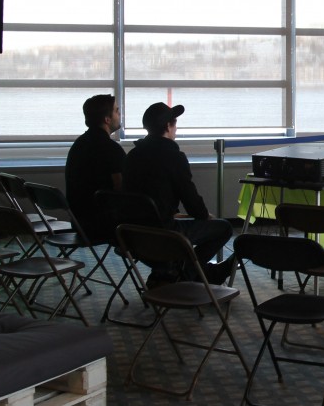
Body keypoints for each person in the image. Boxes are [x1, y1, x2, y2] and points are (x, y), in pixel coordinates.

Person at [122, 102, 234, 284]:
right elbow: (190, 199)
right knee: (224, 228)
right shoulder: (174, 157)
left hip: (132, 234)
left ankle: (175, 272)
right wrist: (205, 216)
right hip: (164, 233)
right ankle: (183, 274)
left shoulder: (132, 156)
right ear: (168, 126)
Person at [64, 94, 125, 246]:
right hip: (103, 225)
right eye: (116, 111)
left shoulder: (79, 144)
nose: (120, 114)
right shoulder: (111, 149)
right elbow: (123, 189)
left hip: (79, 222)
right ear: (107, 119)